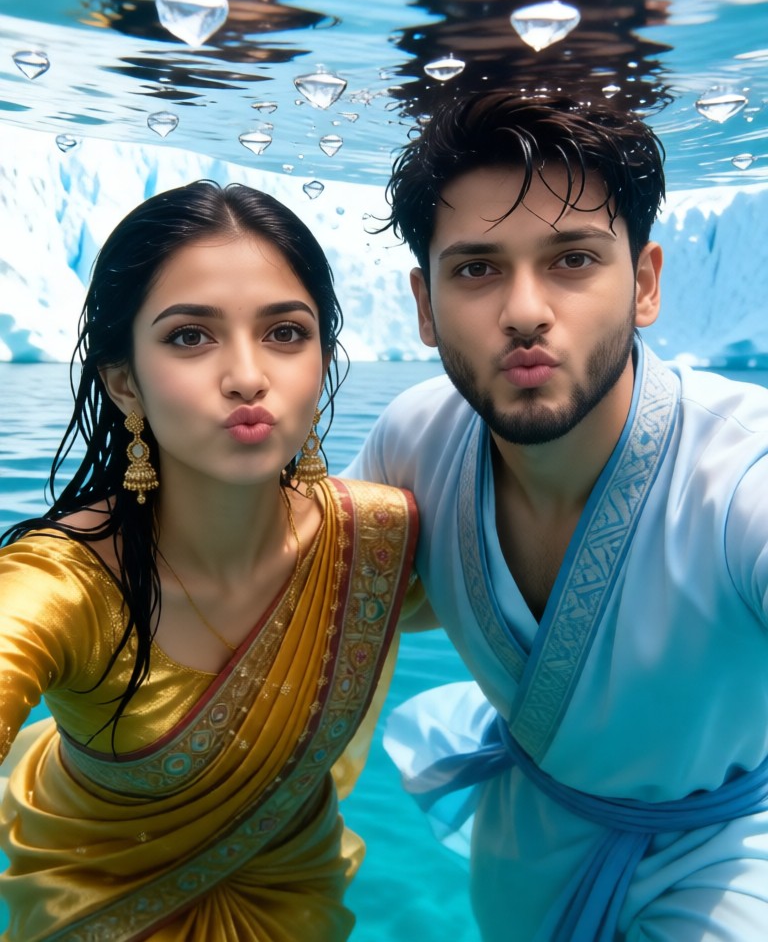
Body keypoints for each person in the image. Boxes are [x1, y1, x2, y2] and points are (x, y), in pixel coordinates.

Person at [345, 93, 768, 941]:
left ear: (645, 284)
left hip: (730, 861)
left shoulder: (739, 476)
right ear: (424, 308)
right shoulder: (415, 440)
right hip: (524, 849)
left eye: (572, 260)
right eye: (476, 269)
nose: (526, 310)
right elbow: (284, 585)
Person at [0, 181, 417, 942]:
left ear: (322, 361)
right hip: (97, 909)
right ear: (124, 382)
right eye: (191, 336)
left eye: (286, 333)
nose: (248, 375)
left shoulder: (377, 542)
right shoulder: (61, 584)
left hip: (301, 903)